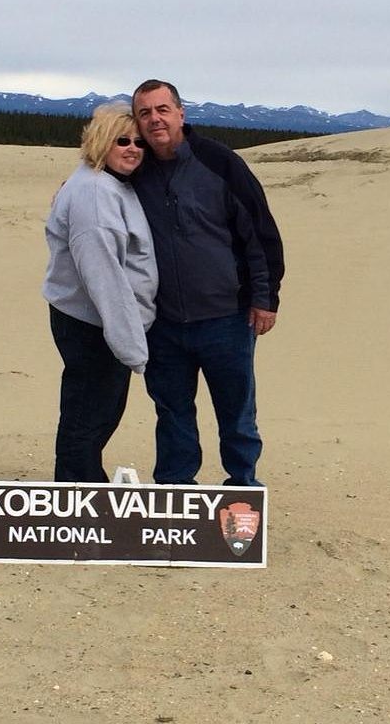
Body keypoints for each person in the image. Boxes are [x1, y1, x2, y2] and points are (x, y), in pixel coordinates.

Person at [130, 79, 284, 487]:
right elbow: (94, 186)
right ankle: (177, 491)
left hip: (227, 317)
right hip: (162, 322)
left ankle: (243, 488)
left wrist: (266, 299)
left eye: (162, 109)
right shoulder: (133, 167)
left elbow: (261, 233)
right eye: (144, 113)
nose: (154, 120)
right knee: (172, 411)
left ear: (181, 113)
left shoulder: (219, 162)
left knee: (236, 412)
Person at [42, 104, 158, 482]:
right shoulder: (95, 193)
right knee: (88, 415)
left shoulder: (109, 184)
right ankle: (79, 497)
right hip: (92, 323)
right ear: (100, 142)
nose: (132, 148)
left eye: (139, 142)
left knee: (98, 411)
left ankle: (79, 488)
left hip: (100, 322)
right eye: (121, 140)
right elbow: (104, 274)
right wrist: (132, 347)